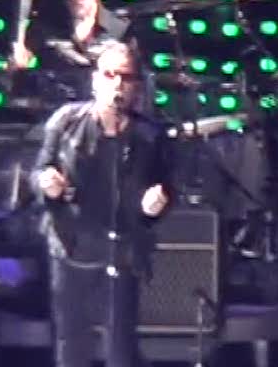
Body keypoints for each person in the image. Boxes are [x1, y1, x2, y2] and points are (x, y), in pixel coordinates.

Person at [30, 40, 171, 367]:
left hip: (122, 249)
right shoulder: (66, 121)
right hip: (71, 246)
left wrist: (154, 206)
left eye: (125, 76)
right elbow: (38, 171)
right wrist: (47, 184)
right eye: (109, 74)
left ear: (137, 86)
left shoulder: (149, 136)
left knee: (120, 344)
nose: (117, 84)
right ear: (95, 80)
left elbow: (165, 188)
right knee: (71, 341)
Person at [11, 0, 136, 102]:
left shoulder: (120, 29)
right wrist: (16, 68)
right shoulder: (45, 26)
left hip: (104, 113)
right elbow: (16, 83)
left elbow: (135, 85)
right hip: (56, 112)